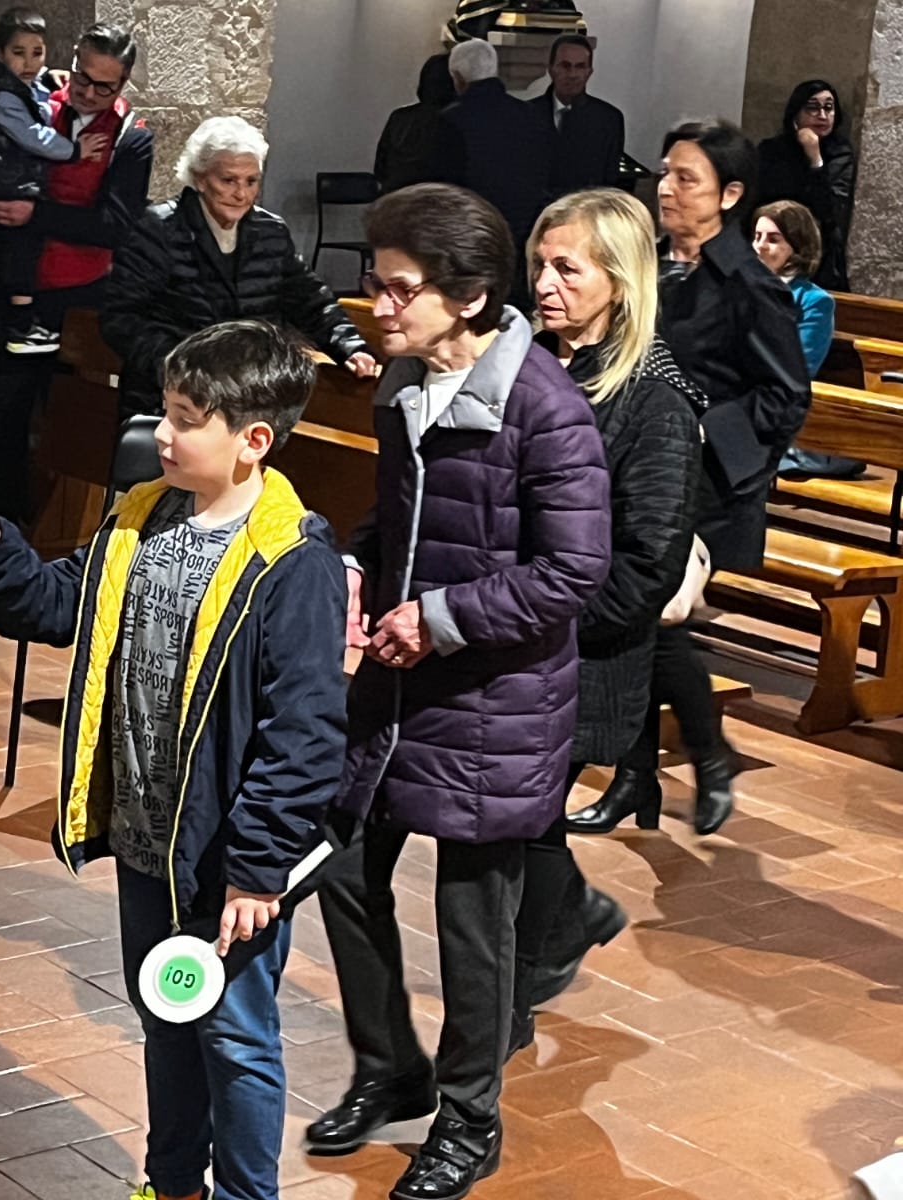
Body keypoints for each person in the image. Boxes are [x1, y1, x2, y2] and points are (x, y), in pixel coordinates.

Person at [0, 320, 348, 1200]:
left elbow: (304, 736)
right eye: (164, 409)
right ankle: (171, 1182)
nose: (163, 431)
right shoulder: (142, 517)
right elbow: (60, 606)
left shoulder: (292, 561)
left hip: (230, 861)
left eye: (187, 417)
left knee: (234, 1037)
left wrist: (258, 872)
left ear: (252, 441)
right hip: (150, 840)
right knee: (165, 1015)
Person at [308, 183, 610, 1200]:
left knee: (472, 921)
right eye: (373, 284)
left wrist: (435, 619)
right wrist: (359, 569)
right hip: (396, 683)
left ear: (470, 295)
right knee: (342, 871)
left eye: (399, 289)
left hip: (493, 693)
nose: (378, 307)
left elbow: (572, 574)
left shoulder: (544, 408)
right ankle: (388, 1065)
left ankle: (468, 1119)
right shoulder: (404, 382)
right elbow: (401, 524)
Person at [568, 121, 808, 838]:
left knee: (648, 623)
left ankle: (700, 755)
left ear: (730, 196)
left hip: (703, 481)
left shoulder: (749, 287)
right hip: (637, 470)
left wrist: (702, 433)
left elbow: (785, 397)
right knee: (636, 627)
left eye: (687, 179)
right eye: (666, 174)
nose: (667, 189)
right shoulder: (656, 270)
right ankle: (642, 777)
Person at [511, 188, 704, 1054]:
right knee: (516, 826)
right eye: (539, 265)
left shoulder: (654, 402)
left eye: (566, 268)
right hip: (513, 642)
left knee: (512, 839)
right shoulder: (535, 366)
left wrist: (524, 615)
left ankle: (499, 1019)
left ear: (619, 282)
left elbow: (641, 572)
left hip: (579, 655)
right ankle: (572, 916)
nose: (544, 283)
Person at [0, 21, 154, 518]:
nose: (89, 93)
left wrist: (37, 215)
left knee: (69, 424)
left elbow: (116, 225)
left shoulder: (130, 138)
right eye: (82, 77)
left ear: (125, 83)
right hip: (13, 284)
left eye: (104, 86)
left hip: (78, 293)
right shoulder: (32, 103)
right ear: (72, 61)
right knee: (3, 411)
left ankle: (60, 530)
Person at [103, 115, 375, 418]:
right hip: (170, 400)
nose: (241, 193)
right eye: (228, 180)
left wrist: (350, 346)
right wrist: (182, 366)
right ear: (201, 178)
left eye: (251, 181)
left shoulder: (270, 231)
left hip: (248, 398)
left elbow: (310, 299)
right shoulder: (158, 229)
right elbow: (121, 317)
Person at [0, 6, 107, 361]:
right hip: (4, 180)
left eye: (38, 53)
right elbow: (32, 135)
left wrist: (49, 77)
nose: (30, 63)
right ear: (1, 53)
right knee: (21, 248)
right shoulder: (2, 94)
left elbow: (33, 91)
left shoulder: (11, 83)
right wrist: (73, 150)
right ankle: (21, 324)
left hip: (0, 177)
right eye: (19, 53)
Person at [434, 37, 552, 292]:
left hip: (473, 235)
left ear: (458, 77)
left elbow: (447, 186)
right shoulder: (531, 115)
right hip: (524, 231)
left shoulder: (451, 120)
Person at [759, 199, 858, 479]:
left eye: (774, 239)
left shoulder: (814, 301)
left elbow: (798, 369)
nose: (760, 246)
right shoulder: (741, 288)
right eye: (757, 237)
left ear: (798, 246)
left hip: (775, 408)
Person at [757, 79, 855, 292]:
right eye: (813, 107)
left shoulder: (840, 153)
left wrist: (815, 157)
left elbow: (831, 210)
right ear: (795, 114)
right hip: (772, 246)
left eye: (829, 107)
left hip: (820, 255)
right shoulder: (771, 151)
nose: (822, 115)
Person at [531, 34, 626, 197]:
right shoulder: (526, 114)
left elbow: (608, 181)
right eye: (565, 65)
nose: (573, 74)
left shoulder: (608, 120)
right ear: (551, 69)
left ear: (589, 72)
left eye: (580, 66)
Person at [374, 54, 455, 194]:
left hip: (396, 201)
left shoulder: (399, 117)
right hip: (440, 204)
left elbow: (381, 168)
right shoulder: (456, 120)